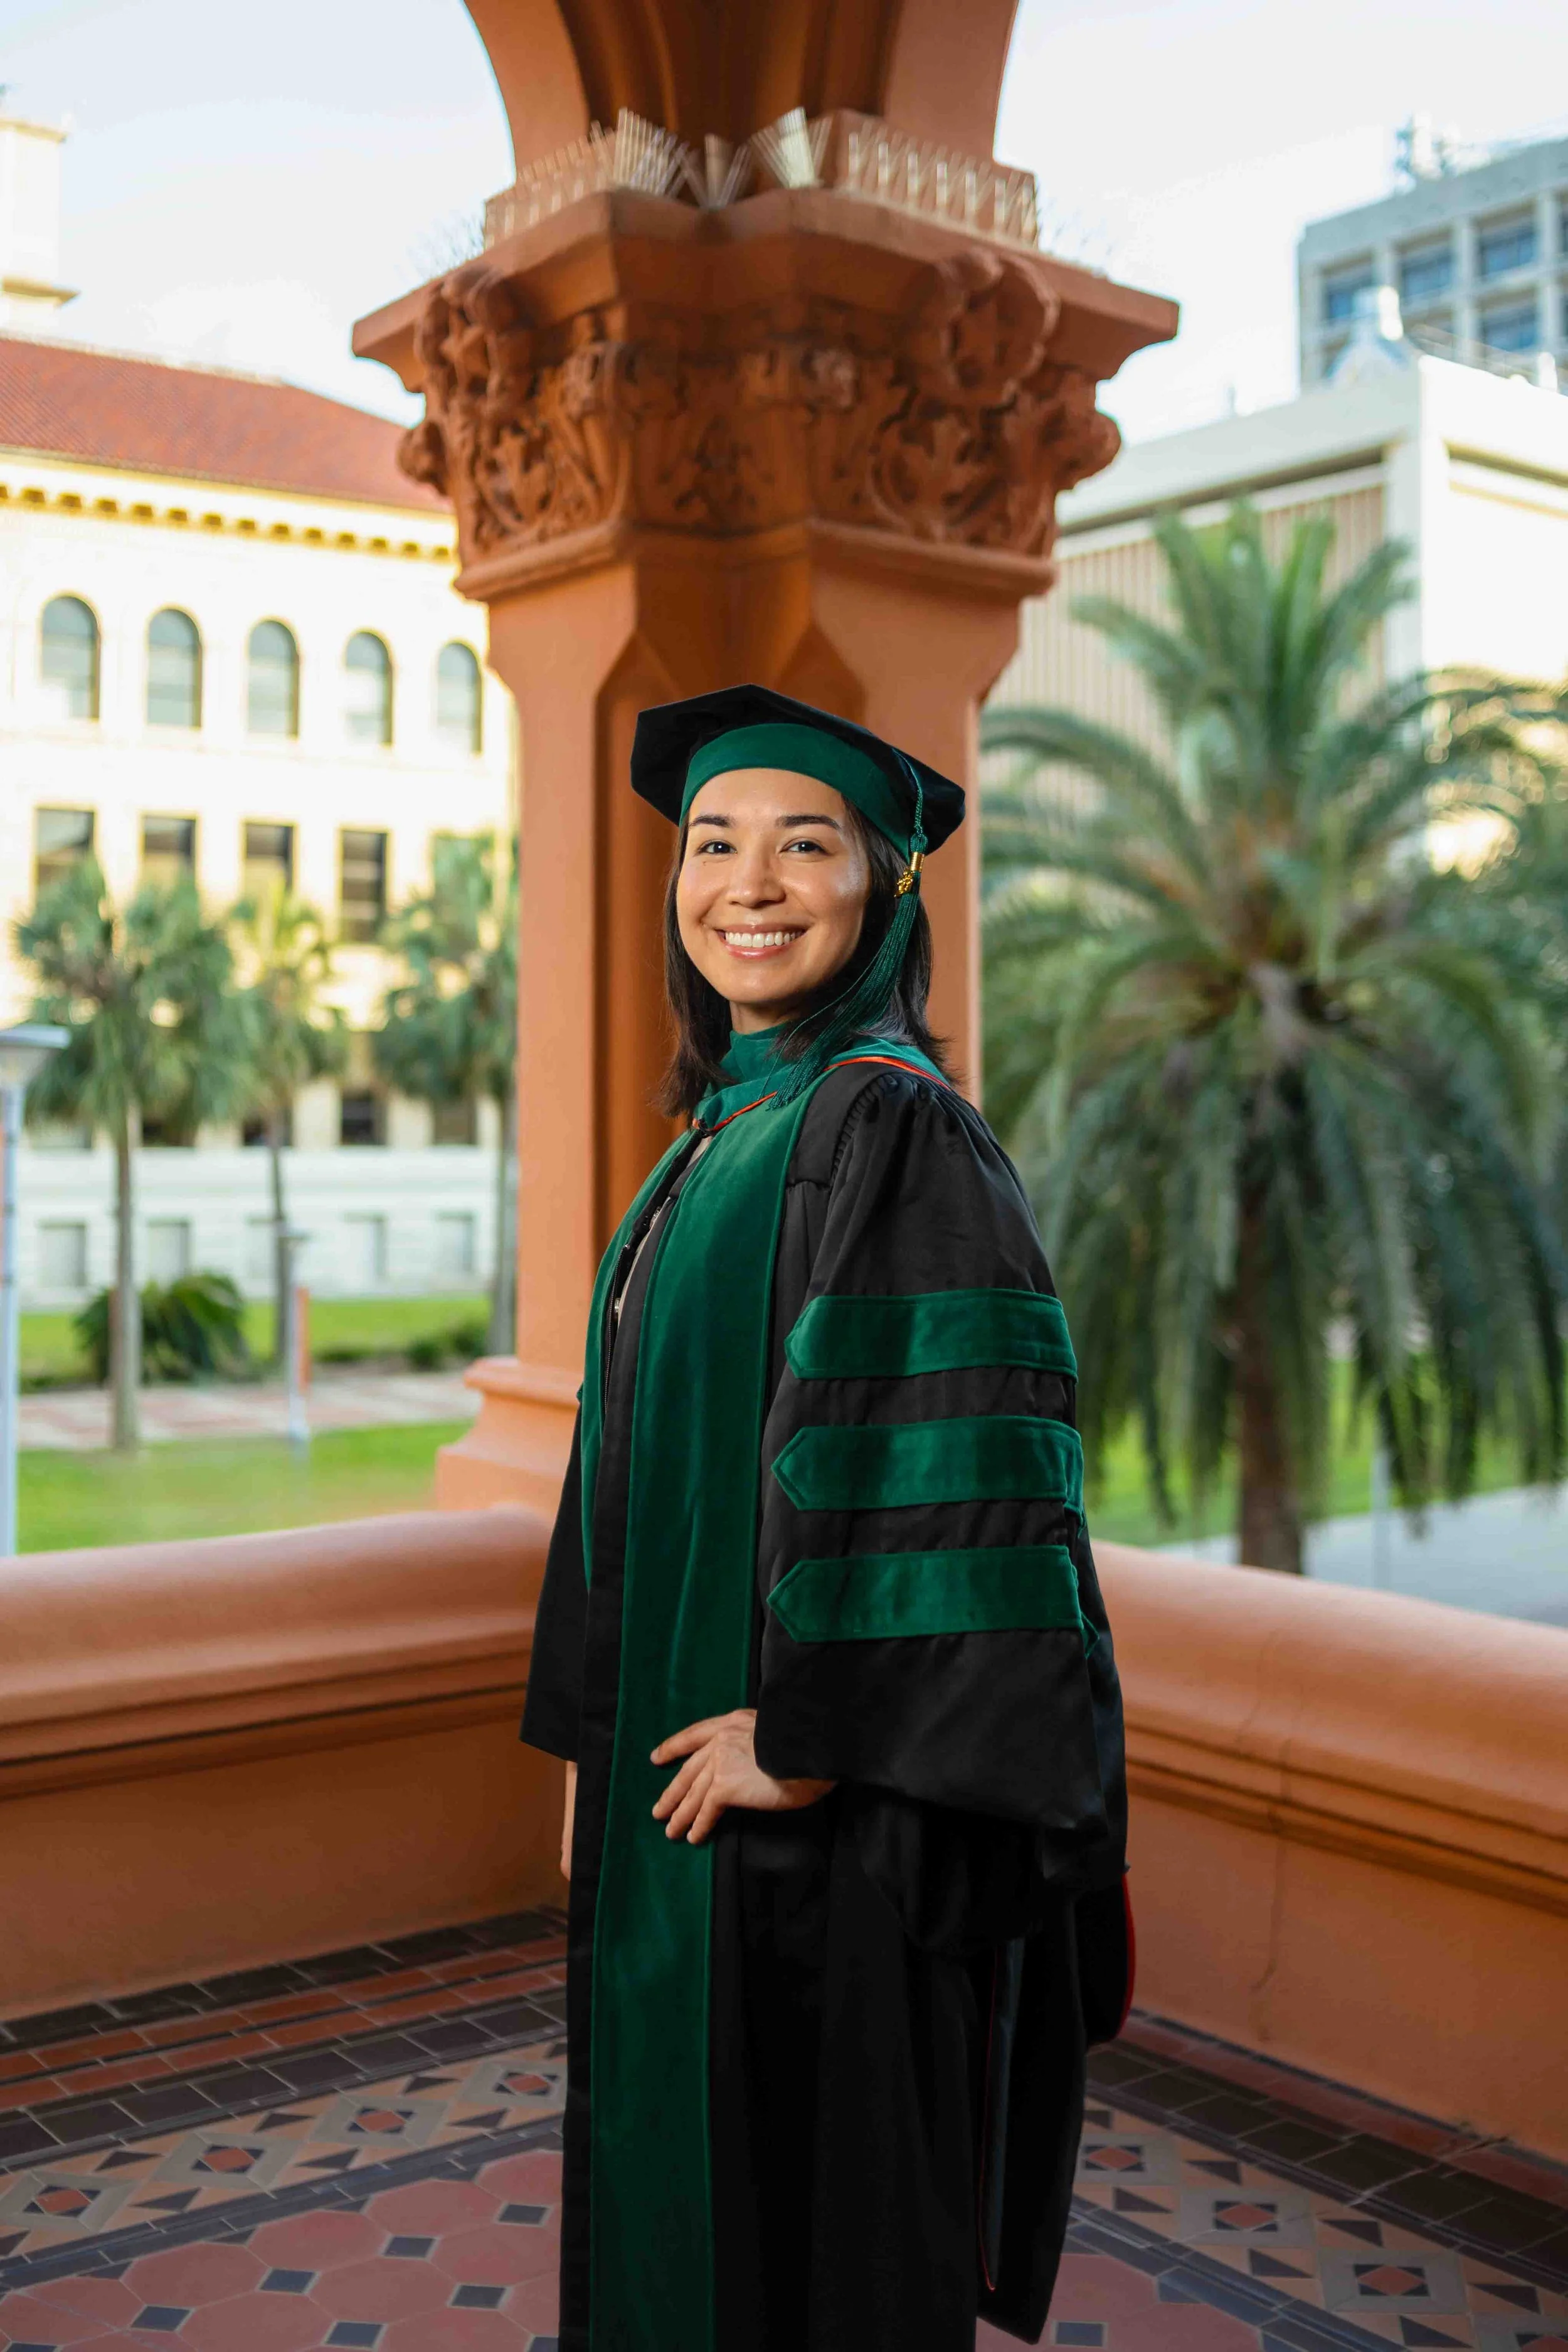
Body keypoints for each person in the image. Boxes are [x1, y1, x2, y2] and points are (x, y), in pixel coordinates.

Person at [521, 684, 1130, 2352]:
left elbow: (962, 1473)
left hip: (823, 1822)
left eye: (806, 844)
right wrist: (593, 1738)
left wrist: (812, 1729)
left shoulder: (893, 1127)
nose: (748, 880)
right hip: (676, 1788)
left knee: (818, 2236)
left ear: (886, 887)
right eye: (711, 842)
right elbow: (629, 1478)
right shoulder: (720, 1135)